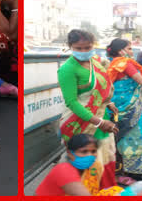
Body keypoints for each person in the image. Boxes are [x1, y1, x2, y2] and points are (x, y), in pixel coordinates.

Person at [58, 29, 119, 188]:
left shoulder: (95, 62)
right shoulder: (67, 69)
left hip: (101, 117)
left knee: (105, 156)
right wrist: (98, 122)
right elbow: (72, 102)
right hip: (81, 122)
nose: (84, 51)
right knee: (88, 164)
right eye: (79, 48)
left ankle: (105, 191)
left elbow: (100, 89)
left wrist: (108, 103)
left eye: (87, 47)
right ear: (70, 46)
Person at [106, 39, 142, 182]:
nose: (132, 51)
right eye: (129, 48)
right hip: (132, 106)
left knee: (122, 137)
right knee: (139, 136)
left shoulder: (112, 64)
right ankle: (138, 170)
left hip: (118, 105)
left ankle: (122, 168)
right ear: (121, 51)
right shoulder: (126, 63)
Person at [35, 135, 126, 196]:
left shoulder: (95, 166)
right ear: (70, 153)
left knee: (116, 190)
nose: (89, 155)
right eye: (84, 152)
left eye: (93, 151)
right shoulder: (63, 170)